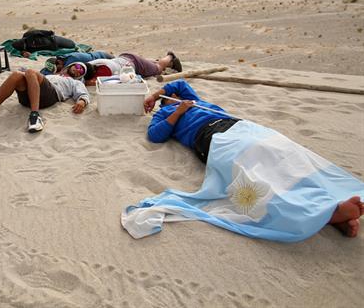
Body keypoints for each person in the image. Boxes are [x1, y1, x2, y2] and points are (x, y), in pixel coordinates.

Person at [120, 80, 364, 242]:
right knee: (253, 175)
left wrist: (156, 93)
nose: (175, 96)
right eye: (169, 97)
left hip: (241, 127)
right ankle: (327, 216)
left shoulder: (194, 99)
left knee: (284, 157)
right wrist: (177, 111)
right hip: (212, 138)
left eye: (173, 95)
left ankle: (330, 203)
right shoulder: (164, 113)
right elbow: (155, 136)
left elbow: (180, 84)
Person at [0, 69, 90, 132]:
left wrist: (82, 101)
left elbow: (83, 93)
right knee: (16, 75)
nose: (78, 70)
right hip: (29, 98)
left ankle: (35, 116)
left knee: (31, 72)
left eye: (81, 71)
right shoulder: (51, 74)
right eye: (78, 66)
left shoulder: (74, 82)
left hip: (50, 97)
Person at [41, 51, 114, 75]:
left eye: (57, 69)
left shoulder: (72, 60)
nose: (58, 70)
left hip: (105, 57)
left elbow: (62, 74)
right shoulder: (62, 58)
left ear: (59, 62)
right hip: (99, 55)